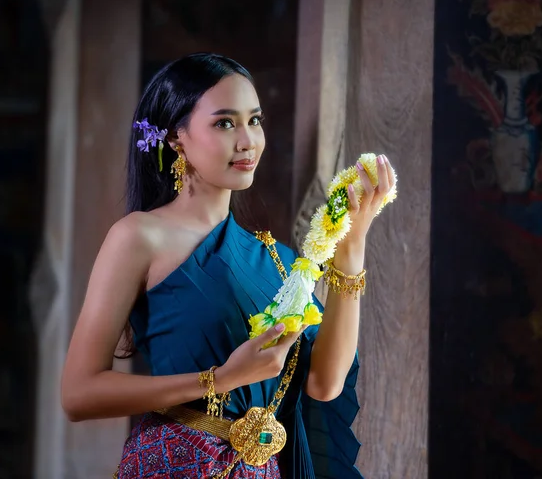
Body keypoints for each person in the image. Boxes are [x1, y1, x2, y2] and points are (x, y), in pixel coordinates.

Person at [61, 53, 395, 478]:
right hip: (175, 464)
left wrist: (351, 248)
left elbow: (325, 385)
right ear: (176, 138)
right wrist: (217, 379)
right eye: (224, 123)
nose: (247, 141)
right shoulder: (139, 237)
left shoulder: (276, 260)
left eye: (254, 120)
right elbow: (78, 393)